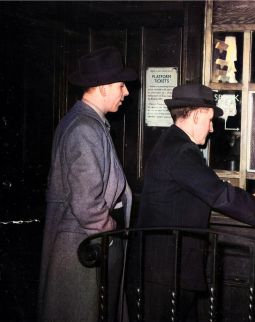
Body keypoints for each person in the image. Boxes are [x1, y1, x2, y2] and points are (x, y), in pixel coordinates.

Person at [132, 84, 255, 321]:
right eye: (209, 119)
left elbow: (206, 189)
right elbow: (217, 194)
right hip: (165, 273)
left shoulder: (173, 143)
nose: (212, 127)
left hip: (163, 270)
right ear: (196, 116)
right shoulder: (181, 151)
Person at [38, 46, 137, 322]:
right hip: (83, 251)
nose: (126, 92)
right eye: (121, 85)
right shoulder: (85, 128)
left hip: (84, 246)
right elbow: (86, 205)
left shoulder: (87, 122)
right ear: (103, 87)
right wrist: (111, 230)